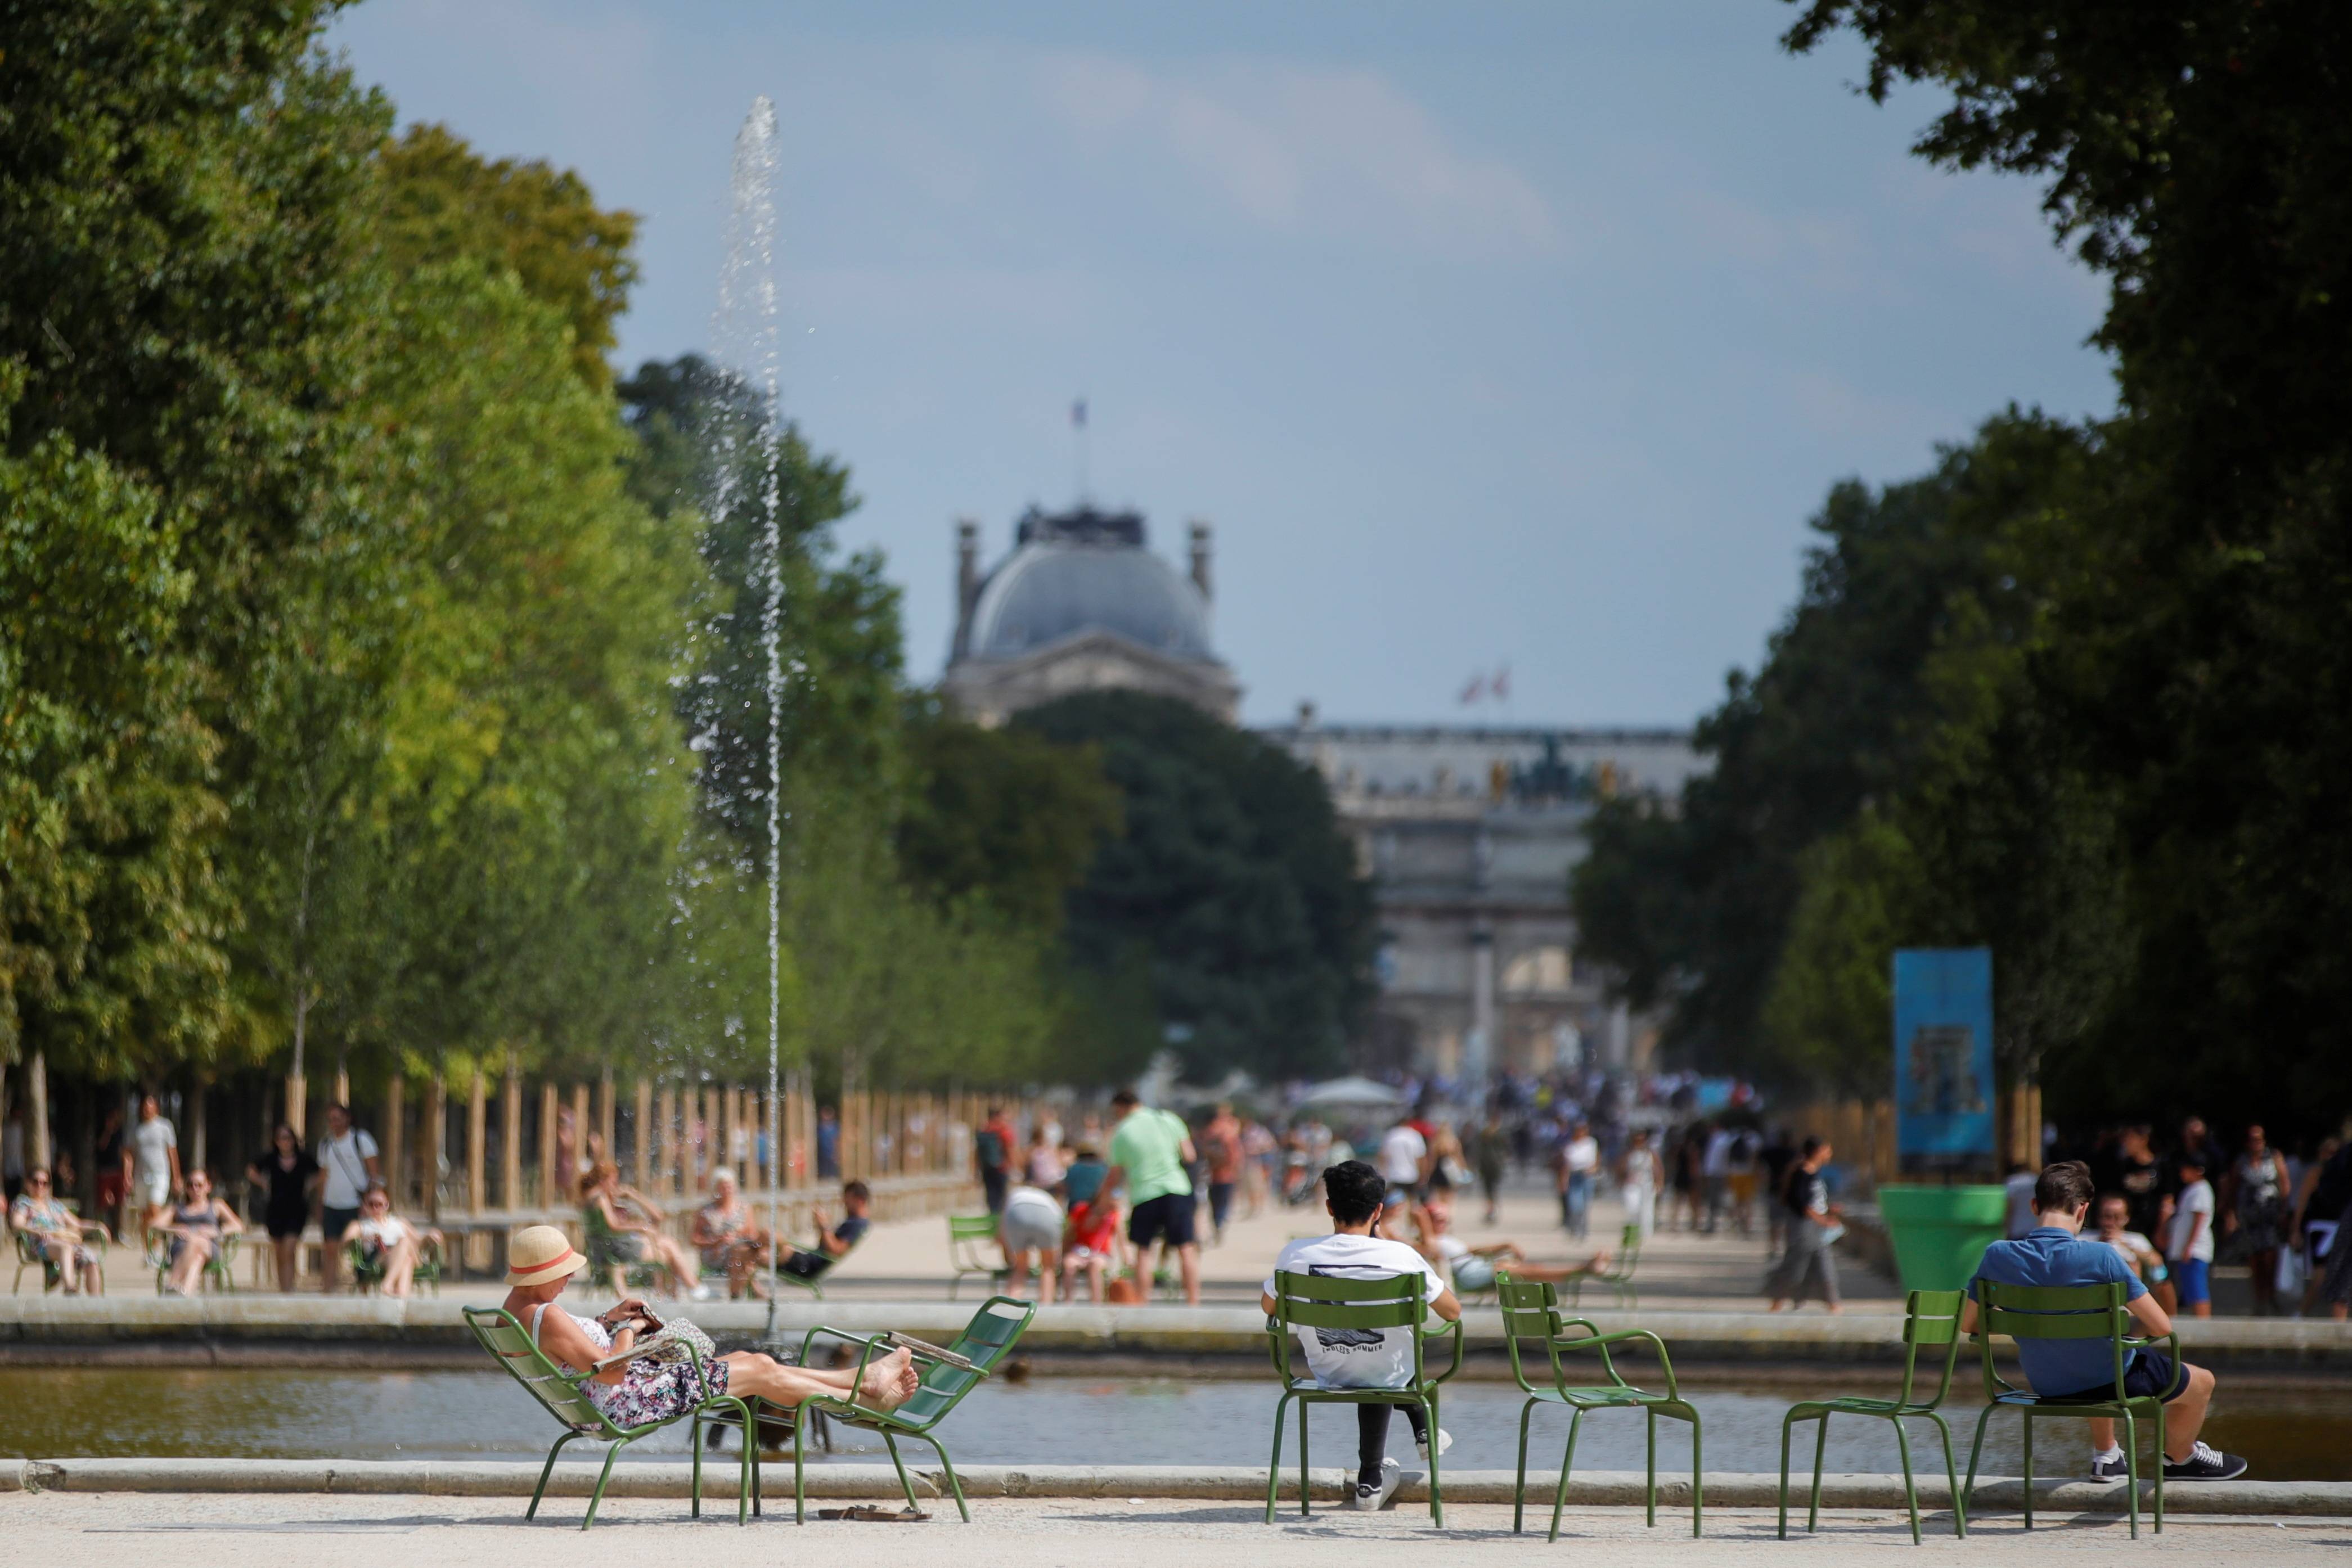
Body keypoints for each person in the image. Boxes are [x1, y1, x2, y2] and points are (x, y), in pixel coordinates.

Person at [1966, 1160, 2245, 1481]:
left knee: (2092, 1354)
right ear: (2083, 1211)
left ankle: (2108, 1455)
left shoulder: (1997, 1255)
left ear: (2034, 1206)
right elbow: (2161, 1328)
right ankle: (2181, 1458)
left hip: (2047, 1383)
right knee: (2201, 1381)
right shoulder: (2103, 1257)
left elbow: (1969, 1324)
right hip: (2112, 1382)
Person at [497, 1224, 919, 1430]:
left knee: (749, 1359)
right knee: (759, 1371)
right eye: (564, 1272)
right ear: (539, 1274)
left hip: (607, 1403)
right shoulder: (545, 1313)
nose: (570, 1278)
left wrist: (607, 1320)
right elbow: (611, 1371)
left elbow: (571, 1358)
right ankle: (862, 1398)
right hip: (626, 1404)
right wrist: (630, 1327)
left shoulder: (513, 1312)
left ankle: (856, 1381)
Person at [1263, 1159, 1462, 1511]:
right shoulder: (1402, 1256)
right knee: (1387, 1360)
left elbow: (1269, 1306)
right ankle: (1392, 1460)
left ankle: (1376, 1473)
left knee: (1373, 1359)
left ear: (1329, 1207)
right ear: (1379, 1210)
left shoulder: (1296, 1254)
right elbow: (1452, 1312)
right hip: (1392, 1372)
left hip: (1327, 1370)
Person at [1405, 1184, 1608, 1295]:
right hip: (1469, 1275)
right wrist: (1422, 1220)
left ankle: (1580, 1270)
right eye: (1437, 1219)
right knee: (1529, 1272)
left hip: (1478, 1266)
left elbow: (1473, 1250)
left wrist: (1504, 1245)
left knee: (1532, 1269)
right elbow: (1432, 1250)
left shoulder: (1445, 1239)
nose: (1444, 1222)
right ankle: (1582, 1270)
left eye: (1445, 1219)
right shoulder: (1424, 1244)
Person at [1105, 1088, 1200, 1305]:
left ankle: (1142, 1302)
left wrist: (1102, 1198)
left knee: (1144, 1251)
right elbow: (1190, 1155)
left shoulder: (1122, 1131)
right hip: (1177, 1188)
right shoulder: (1168, 1119)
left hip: (1144, 1193)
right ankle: (1194, 1303)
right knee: (1186, 1248)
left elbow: (1116, 1174)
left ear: (1120, 1108)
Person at [579, 1161, 698, 1296]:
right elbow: (613, 1225)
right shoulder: (600, 1198)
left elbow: (657, 1215)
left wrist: (632, 1195)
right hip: (617, 1250)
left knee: (667, 1246)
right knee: (668, 1250)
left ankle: (689, 1289)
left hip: (610, 1248)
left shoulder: (591, 1199)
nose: (616, 1186)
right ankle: (690, 1289)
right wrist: (642, 1228)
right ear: (604, 1180)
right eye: (614, 1182)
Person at [1763, 1136, 1841, 1313]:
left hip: (1816, 1230)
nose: (1829, 1154)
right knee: (1795, 1269)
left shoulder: (1813, 1174)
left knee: (1825, 1268)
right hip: (1803, 1230)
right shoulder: (1802, 1174)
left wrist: (1828, 1212)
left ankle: (1834, 1306)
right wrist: (1822, 1220)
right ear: (1817, 1151)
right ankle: (1777, 1302)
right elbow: (1801, 1203)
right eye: (1827, 1150)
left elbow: (1814, 1201)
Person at [2224, 1124, 2292, 1316]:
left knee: (2271, 1256)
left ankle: (2272, 1296)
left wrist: (2285, 1211)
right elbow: (2233, 1187)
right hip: (2249, 1215)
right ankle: (2259, 1298)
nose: (2257, 1143)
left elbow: (2284, 1183)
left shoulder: (2274, 1158)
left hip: (2270, 1214)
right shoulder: (2242, 1161)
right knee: (2255, 1258)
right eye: (2253, 1140)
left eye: (2260, 1139)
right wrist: (2231, 1214)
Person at [8, 1167, 109, 1293]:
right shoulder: (24, 1204)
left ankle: (96, 1306)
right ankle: (70, 1287)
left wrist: (98, 1226)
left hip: (64, 1241)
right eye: (36, 1182)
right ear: (28, 1183)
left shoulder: (54, 1205)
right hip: (40, 1243)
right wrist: (37, 1232)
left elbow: (77, 1224)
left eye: (44, 1183)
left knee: (91, 1262)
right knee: (65, 1248)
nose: (40, 1186)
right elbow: (17, 1224)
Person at [246, 1124, 318, 1292]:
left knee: (289, 1248)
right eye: (280, 1138)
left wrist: (310, 1185)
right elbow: (250, 1170)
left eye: (287, 1138)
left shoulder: (304, 1158)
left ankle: (289, 1287)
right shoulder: (271, 1158)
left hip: (297, 1210)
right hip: (275, 1210)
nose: (284, 1142)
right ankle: (284, 1287)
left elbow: (320, 1173)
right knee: (279, 1252)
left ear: (294, 1140)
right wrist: (263, 1182)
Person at [314, 1103, 380, 1292]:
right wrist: (320, 1204)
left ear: (347, 1118)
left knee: (359, 1251)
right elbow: (323, 1176)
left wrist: (370, 1203)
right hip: (332, 1204)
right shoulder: (326, 1144)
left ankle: (364, 1291)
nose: (334, 1122)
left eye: (338, 1118)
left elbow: (374, 1174)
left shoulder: (361, 1140)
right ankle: (328, 1291)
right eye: (330, 1119)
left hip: (356, 1205)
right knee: (330, 1249)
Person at [335, 1183, 442, 1297]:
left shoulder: (400, 1223)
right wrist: (365, 1238)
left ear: (387, 1205)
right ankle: (401, 1295)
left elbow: (418, 1242)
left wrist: (430, 1236)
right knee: (407, 1259)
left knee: (405, 1242)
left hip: (402, 1251)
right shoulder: (360, 1225)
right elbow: (345, 1241)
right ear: (365, 1205)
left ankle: (387, 1284)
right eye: (372, 1204)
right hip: (379, 1257)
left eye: (380, 1204)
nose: (376, 1208)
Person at [157, 1170, 242, 1295]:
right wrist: (175, 1228)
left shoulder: (216, 1205)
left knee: (196, 1240)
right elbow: (155, 1224)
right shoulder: (178, 1208)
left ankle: (172, 1284)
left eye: (199, 1185)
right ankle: (184, 1293)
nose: (195, 1189)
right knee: (197, 1258)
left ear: (208, 1186)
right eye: (190, 1185)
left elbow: (238, 1225)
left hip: (208, 1246)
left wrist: (217, 1231)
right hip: (181, 1247)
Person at [776, 1180, 872, 1290]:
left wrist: (825, 1225)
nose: (844, 1203)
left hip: (806, 1267)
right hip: (806, 1262)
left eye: (847, 1200)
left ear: (859, 1201)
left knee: (772, 1237)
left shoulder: (857, 1224)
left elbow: (835, 1251)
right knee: (762, 1249)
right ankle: (756, 1290)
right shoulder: (854, 1223)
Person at [690, 1169, 769, 1297]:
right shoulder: (706, 1211)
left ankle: (736, 1293)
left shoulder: (744, 1209)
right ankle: (751, 1289)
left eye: (729, 1186)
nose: (727, 1190)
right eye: (723, 1187)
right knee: (743, 1256)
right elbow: (694, 1239)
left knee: (740, 1252)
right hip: (715, 1253)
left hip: (738, 1249)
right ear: (716, 1189)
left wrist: (738, 1234)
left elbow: (752, 1235)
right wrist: (716, 1241)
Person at [2091, 1193, 2173, 1310]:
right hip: (2095, 1294)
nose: (2111, 1221)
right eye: (2107, 1216)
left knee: (2134, 1265)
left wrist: (2125, 1245)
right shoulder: (2085, 1238)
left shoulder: (2136, 1239)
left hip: (2130, 1297)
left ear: (2126, 1218)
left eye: (2117, 1216)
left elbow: (2158, 1263)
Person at [2165, 1151, 2216, 1319]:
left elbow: (2199, 1219)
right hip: (2187, 1249)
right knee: (2190, 1288)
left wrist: (2189, 1246)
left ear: (2198, 1170)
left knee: (2197, 1288)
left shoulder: (2202, 1189)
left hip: (2196, 1249)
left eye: (2186, 1169)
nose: (2182, 1173)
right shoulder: (2192, 1189)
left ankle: (2204, 1324)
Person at [129, 1092, 183, 1242]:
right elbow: (130, 1155)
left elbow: (172, 1153)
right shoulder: (138, 1130)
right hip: (141, 1176)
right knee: (144, 1215)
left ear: (156, 1108)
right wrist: (128, 1176)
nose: (147, 1109)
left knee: (155, 1210)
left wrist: (177, 1177)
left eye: (149, 1106)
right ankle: (148, 1250)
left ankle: (157, 1246)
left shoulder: (165, 1127)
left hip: (160, 1174)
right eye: (144, 1107)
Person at [1000, 1179, 1064, 1301]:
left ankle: (1010, 1305)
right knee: (1048, 1268)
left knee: (1020, 1268)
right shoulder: (1047, 1197)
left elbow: (1002, 1232)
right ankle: (1046, 1306)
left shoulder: (1015, 1193)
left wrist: (1008, 1257)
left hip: (1016, 1213)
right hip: (1047, 1214)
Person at [1200, 1102, 1244, 1246]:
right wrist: (1236, 1168)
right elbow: (1235, 1153)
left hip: (1211, 1173)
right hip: (1226, 1173)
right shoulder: (1229, 1130)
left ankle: (1217, 1225)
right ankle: (1219, 1224)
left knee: (1214, 1204)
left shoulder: (1208, 1131)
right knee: (1224, 1203)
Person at [1376, 1116, 1429, 1213]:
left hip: (1394, 1174)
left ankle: (1396, 1224)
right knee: (1413, 1202)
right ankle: (1411, 1225)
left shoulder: (1391, 1135)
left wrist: (1383, 1172)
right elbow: (1420, 1157)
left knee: (1394, 1202)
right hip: (1412, 1174)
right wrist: (1423, 1174)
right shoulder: (1414, 1135)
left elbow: (1383, 1156)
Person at [1558, 1119, 1600, 1239]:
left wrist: (1594, 1168)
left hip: (1587, 1176)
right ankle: (1574, 1227)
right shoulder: (1570, 1145)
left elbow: (1597, 1159)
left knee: (1585, 1204)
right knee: (1575, 1204)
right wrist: (1563, 1180)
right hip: (1574, 1176)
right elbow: (1565, 1165)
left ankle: (1583, 1229)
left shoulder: (1591, 1143)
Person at [1619, 1127, 1663, 1238]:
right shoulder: (1628, 1153)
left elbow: (1659, 1169)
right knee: (1632, 1206)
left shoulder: (1651, 1153)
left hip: (1647, 1183)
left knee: (1647, 1208)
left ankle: (1646, 1232)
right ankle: (1634, 1229)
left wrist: (1659, 1183)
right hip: (1632, 1184)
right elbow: (1620, 1168)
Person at [1468, 1111, 1510, 1227]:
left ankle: (1490, 1210)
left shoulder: (1484, 1133)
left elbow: (1477, 1150)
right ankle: (1492, 1210)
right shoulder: (1500, 1134)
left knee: (1488, 1190)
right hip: (1495, 1164)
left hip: (1485, 1164)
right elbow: (1506, 1150)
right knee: (1493, 1189)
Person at [974, 1105, 1017, 1216]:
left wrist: (976, 1171)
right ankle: (999, 1225)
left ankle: (992, 1218)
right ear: (998, 1116)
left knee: (991, 1196)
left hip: (986, 1168)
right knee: (1002, 1197)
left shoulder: (984, 1130)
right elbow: (1009, 1149)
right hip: (1001, 1168)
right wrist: (1014, 1167)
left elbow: (977, 1152)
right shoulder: (1003, 1131)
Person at [95, 1104, 128, 1231]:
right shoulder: (101, 1130)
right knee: (103, 1203)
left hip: (118, 1170)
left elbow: (123, 1152)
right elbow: (101, 1146)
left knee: (120, 1202)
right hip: (104, 1171)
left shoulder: (120, 1132)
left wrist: (126, 1174)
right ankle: (102, 1228)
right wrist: (108, 1131)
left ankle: (119, 1231)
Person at [2003, 1162, 2040, 1241]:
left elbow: (2010, 1207)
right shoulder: (2036, 1180)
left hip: (2017, 1229)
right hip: (2034, 1229)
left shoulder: (2012, 1182)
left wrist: (2007, 1228)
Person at [1024, 1122, 1066, 1192]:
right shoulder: (1031, 1150)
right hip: (1040, 1183)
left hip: (1052, 1181)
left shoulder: (1050, 1148)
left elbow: (1059, 1163)